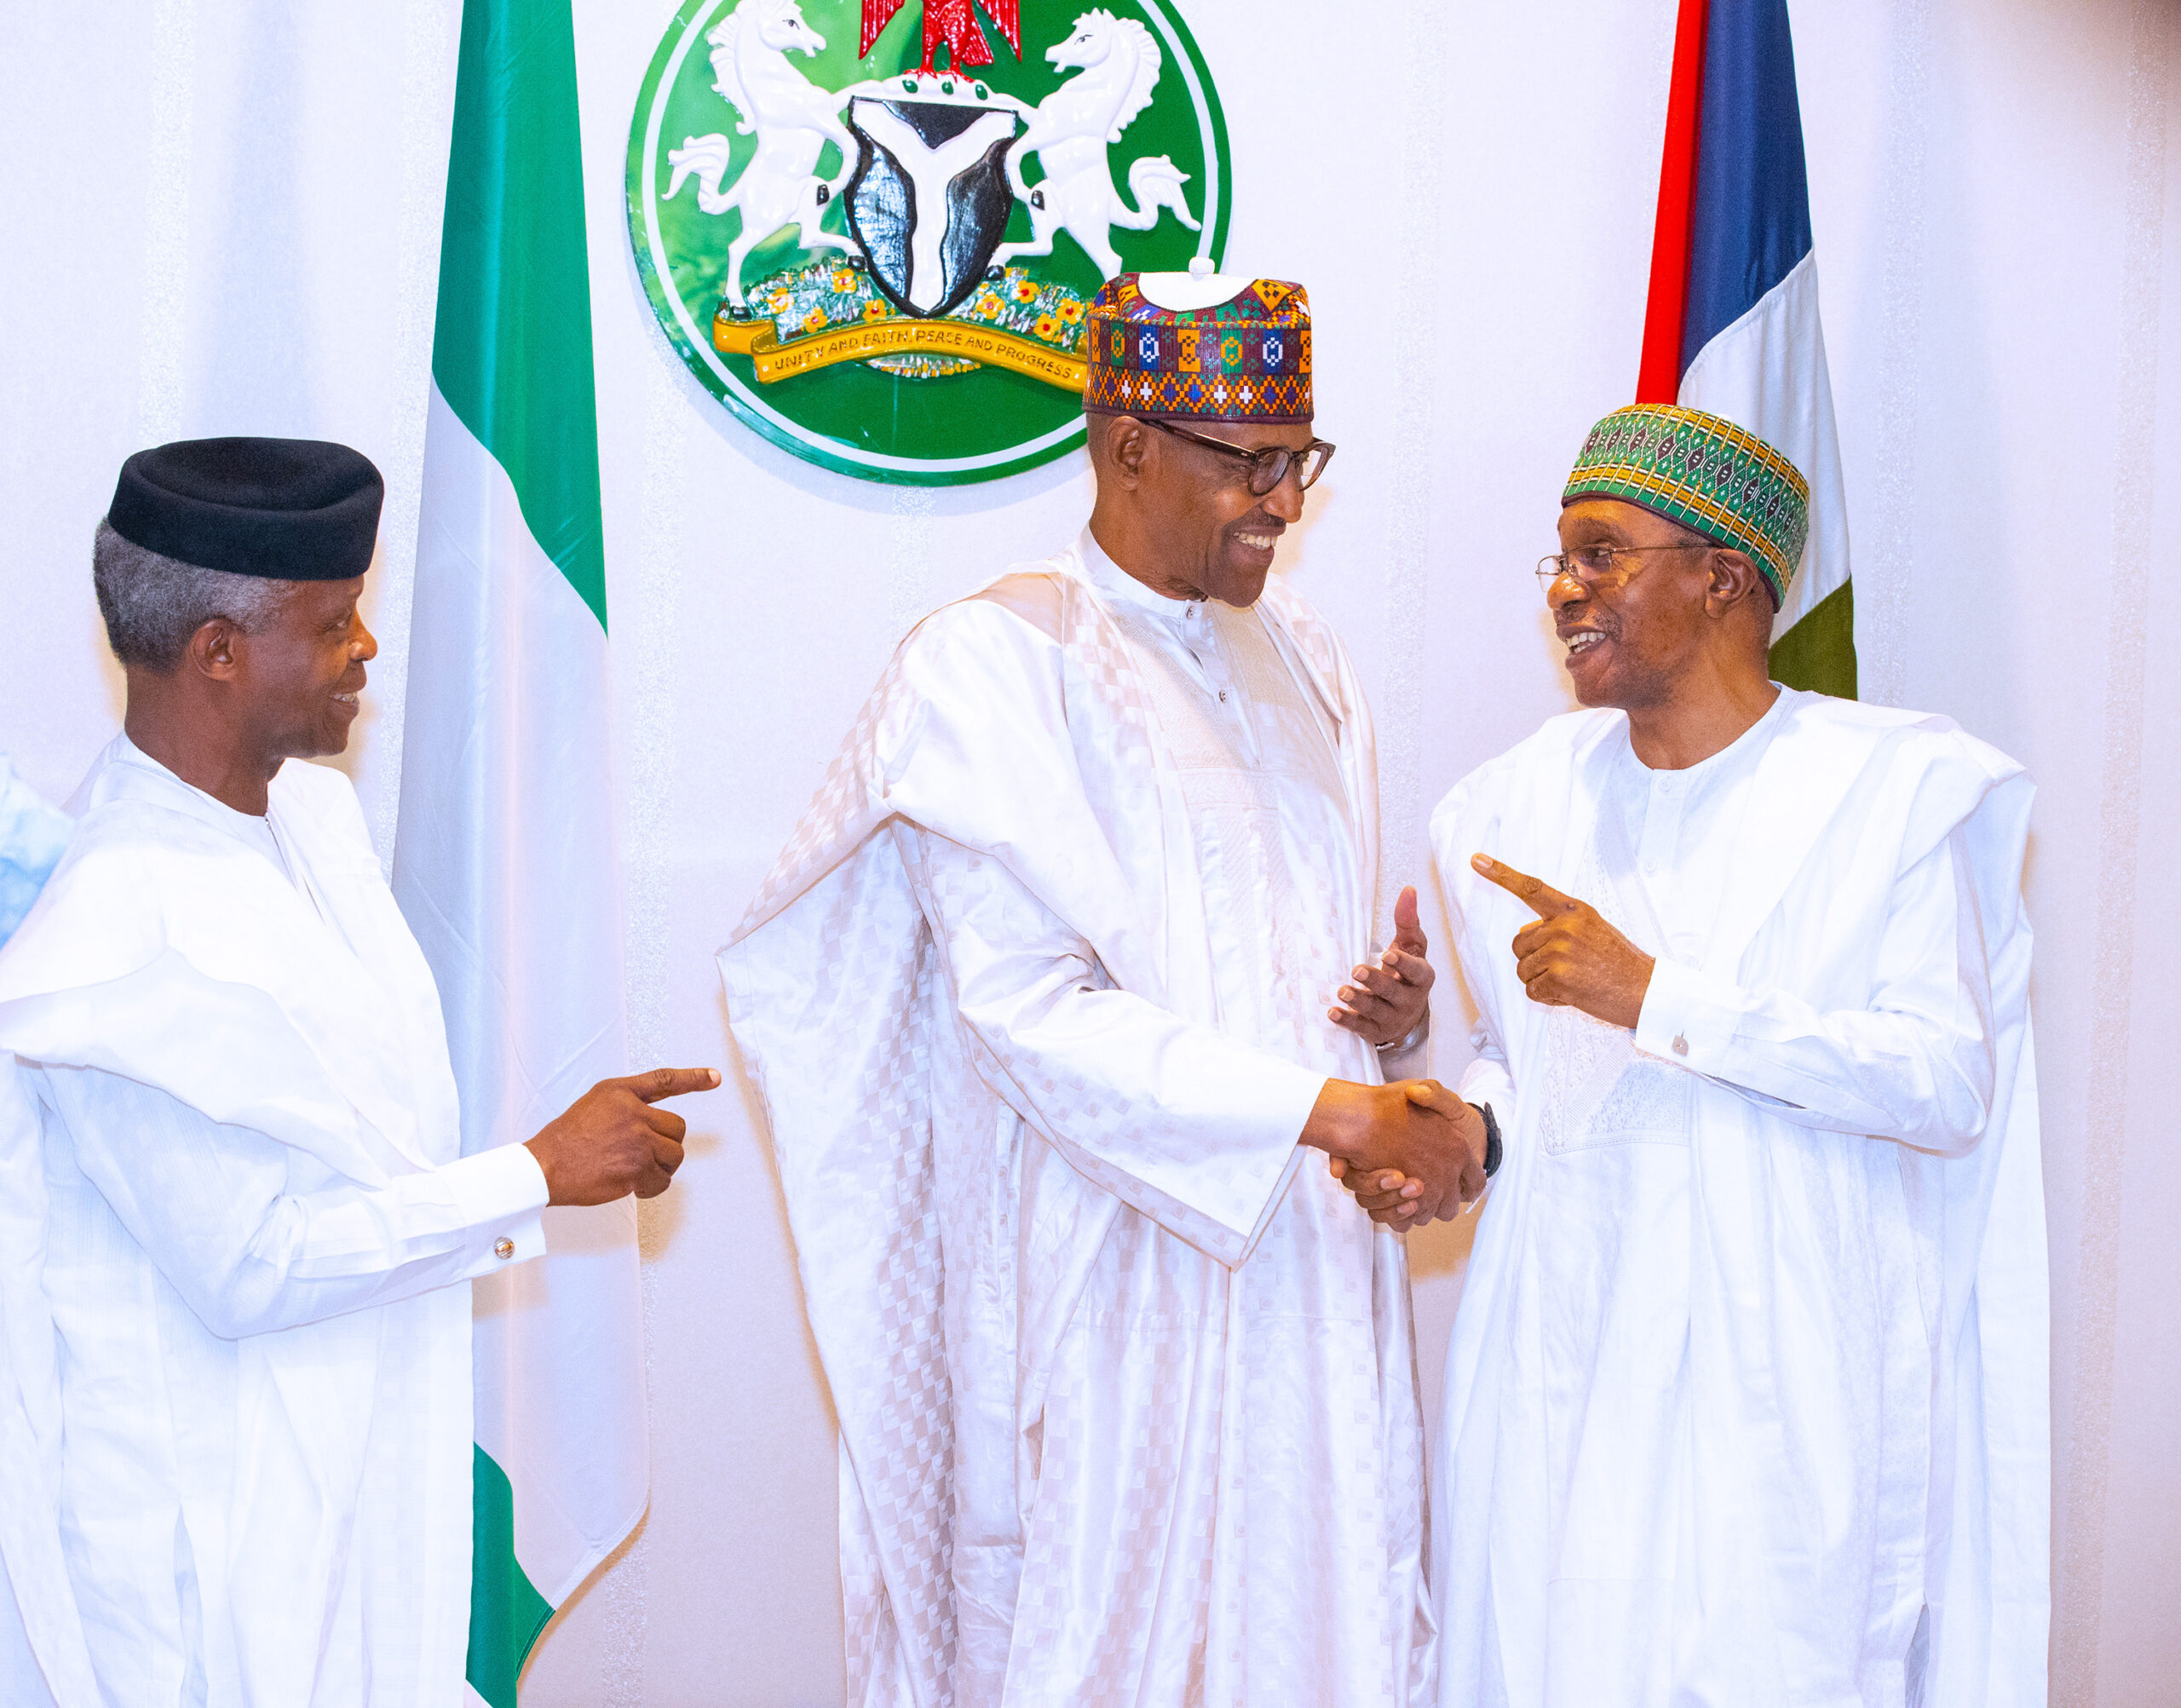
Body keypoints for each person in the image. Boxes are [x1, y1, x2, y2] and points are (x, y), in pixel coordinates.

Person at [719, 272, 1484, 1705]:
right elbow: (1027, 1014)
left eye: (1297, 459)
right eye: (1245, 462)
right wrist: (1327, 1110)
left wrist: (1382, 1019)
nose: (1282, 502)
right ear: (1128, 441)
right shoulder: (1001, 661)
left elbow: (1271, 948)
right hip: (1107, 1267)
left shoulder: (1312, 657)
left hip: (1309, 1278)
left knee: (1324, 1633)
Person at [0, 437, 715, 1708]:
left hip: (366, 1481)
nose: (368, 650)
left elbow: (370, 1156)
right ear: (219, 651)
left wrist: (524, 1173)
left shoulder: (313, 825)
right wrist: (532, 1175)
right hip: (210, 1567)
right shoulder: (107, 942)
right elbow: (250, 1267)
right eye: (335, 624)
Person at [1378, 405, 2047, 1705]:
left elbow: (1946, 1080)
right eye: (1559, 561)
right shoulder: (1517, 802)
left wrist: (1664, 996)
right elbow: (1533, 1070)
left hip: (1774, 1384)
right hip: (1560, 1362)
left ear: (1723, 578)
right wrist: (1469, 1129)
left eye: (1603, 555)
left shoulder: (1892, 790)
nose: (1566, 591)